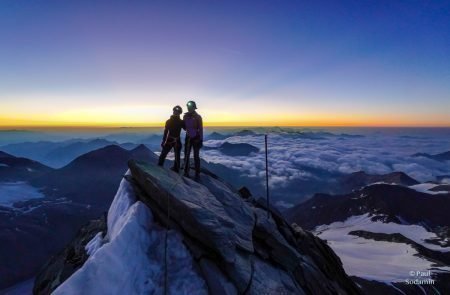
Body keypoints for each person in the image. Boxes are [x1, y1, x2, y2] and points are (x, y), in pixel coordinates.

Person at [158, 105, 184, 172]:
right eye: (175, 111)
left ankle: (159, 168)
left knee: (164, 155)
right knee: (176, 156)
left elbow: (166, 132)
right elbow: (166, 131)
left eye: (177, 111)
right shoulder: (180, 121)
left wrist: (163, 141)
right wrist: (163, 141)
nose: (176, 112)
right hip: (176, 140)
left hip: (170, 140)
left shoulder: (170, 121)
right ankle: (176, 169)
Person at [183, 100, 203, 179]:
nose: (189, 108)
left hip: (196, 138)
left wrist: (200, 140)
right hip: (188, 137)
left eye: (190, 107)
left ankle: (197, 173)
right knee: (186, 155)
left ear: (194, 108)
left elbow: (200, 129)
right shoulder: (185, 116)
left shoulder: (198, 117)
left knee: (196, 156)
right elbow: (185, 127)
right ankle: (186, 171)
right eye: (188, 107)